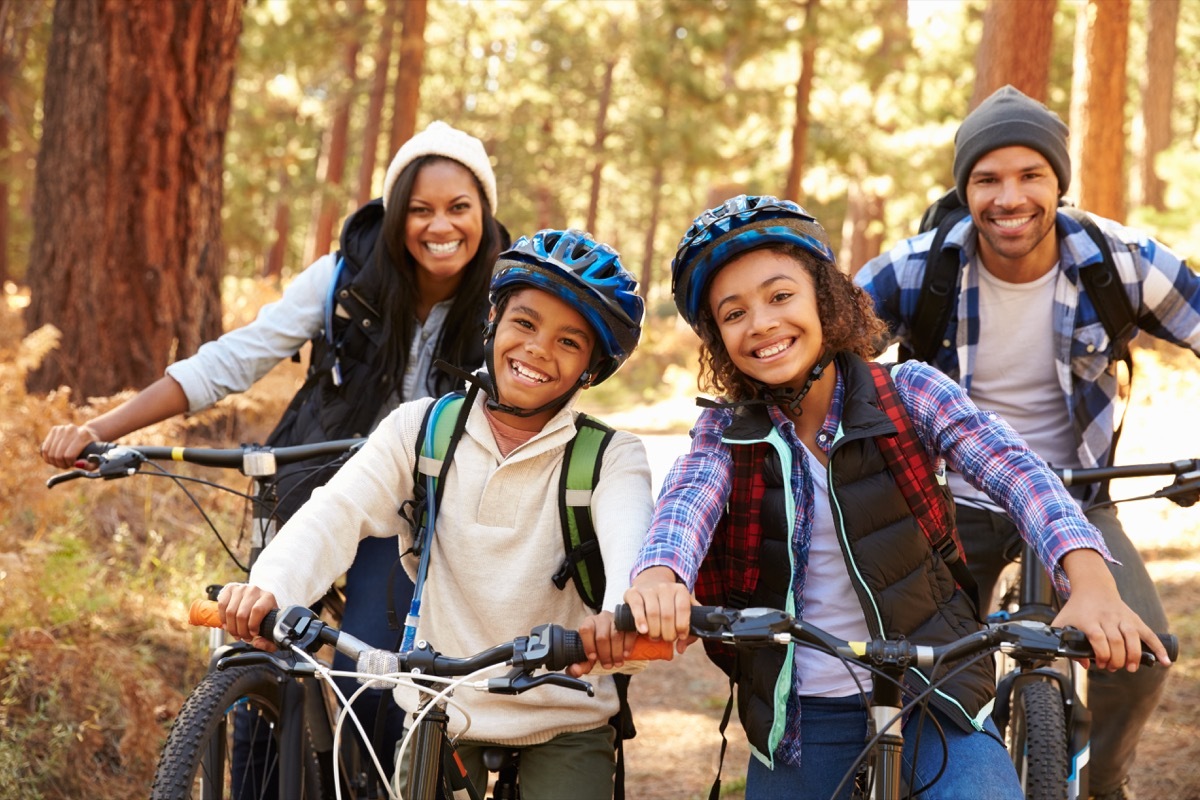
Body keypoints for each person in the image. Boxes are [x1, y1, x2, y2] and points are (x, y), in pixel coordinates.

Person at [621, 194, 1170, 800]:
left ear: (824, 301)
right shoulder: (725, 433)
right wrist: (659, 576)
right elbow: (686, 503)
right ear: (719, 338)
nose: (761, 324)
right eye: (733, 314)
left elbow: (1019, 472)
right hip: (801, 716)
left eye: (781, 296)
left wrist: (1089, 581)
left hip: (935, 690)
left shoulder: (909, 391)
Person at [39, 120, 508, 774]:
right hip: (309, 484)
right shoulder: (343, 278)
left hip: (414, 517)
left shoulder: (506, 297)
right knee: (251, 645)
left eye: (460, 208)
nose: (441, 225)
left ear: (484, 212)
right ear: (396, 214)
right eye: (421, 209)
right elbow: (230, 360)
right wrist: (100, 430)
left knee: (367, 676)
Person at [854, 85, 1200, 800]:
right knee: (923, 668)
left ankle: (1105, 783)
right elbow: (822, 356)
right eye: (987, 179)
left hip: (1079, 499)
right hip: (952, 500)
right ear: (965, 189)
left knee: (1146, 656)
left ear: (1059, 182)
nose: (1009, 197)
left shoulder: (1121, 260)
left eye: (1029, 175)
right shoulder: (919, 269)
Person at [219, 228, 652, 799]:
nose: (539, 349)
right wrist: (271, 587)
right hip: (441, 703)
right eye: (524, 323)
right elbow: (337, 510)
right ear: (493, 320)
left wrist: (620, 618)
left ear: (591, 369)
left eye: (570, 343)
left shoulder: (610, 457)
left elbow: (631, 540)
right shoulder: (421, 428)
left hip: (562, 711)